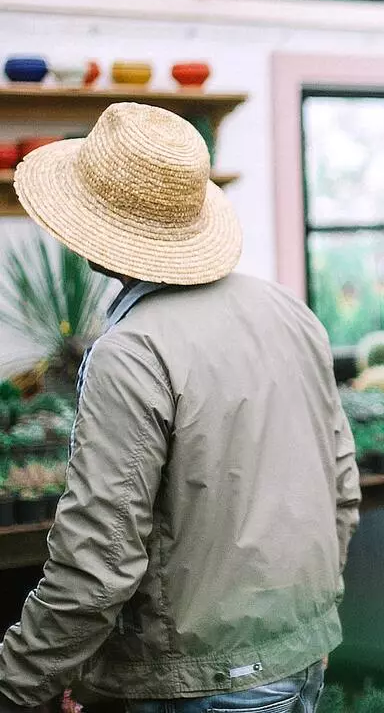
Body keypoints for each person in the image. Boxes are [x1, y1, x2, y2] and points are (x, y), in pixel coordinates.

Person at [0, 102, 361, 713]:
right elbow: (342, 488)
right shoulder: (285, 310)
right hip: (298, 658)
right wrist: (302, 628)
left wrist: (18, 682)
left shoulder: (131, 351)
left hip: (202, 685)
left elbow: (99, 557)